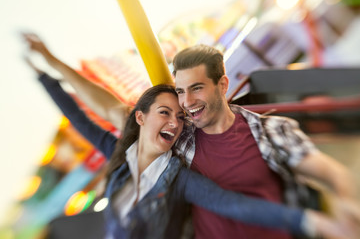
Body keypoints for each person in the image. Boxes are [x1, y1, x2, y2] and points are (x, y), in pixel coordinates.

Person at [22, 33, 360, 238]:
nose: (184, 106)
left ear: (221, 85)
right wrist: (48, 66)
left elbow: (321, 171)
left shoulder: (264, 133)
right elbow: (93, 113)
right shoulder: (156, 143)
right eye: (180, 94)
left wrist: (334, 207)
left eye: (195, 89)